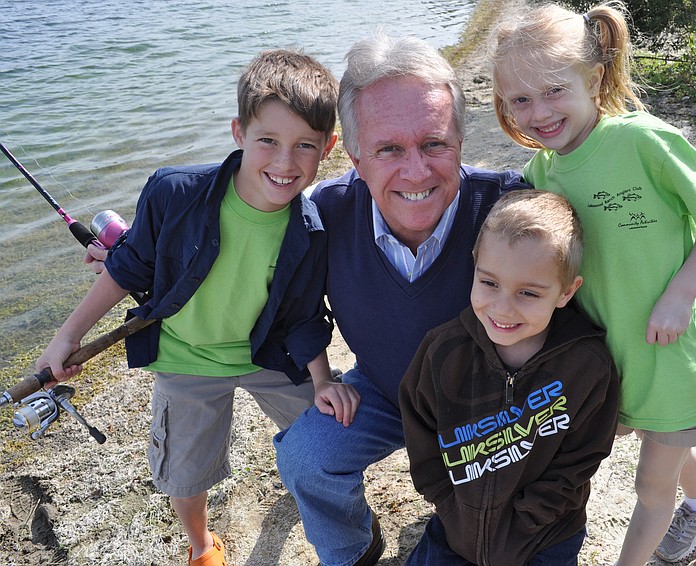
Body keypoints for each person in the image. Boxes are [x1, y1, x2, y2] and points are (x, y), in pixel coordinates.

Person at [487, 2, 696, 563]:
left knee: (651, 490)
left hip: (676, 354)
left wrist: (681, 293)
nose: (540, 112)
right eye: (521, 100)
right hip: (618, 355)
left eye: (554, 89)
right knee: (667, 442)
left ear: (595, 76)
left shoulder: (642, 142)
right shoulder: (541, 173)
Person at [36, 49, 351, 566]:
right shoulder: (173, 192)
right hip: (185, 358)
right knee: (183, 477)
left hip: (267, 353)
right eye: (267, 140)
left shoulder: (311, 228)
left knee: (328, 442)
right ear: (237, 132)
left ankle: (313, 496)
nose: (284, 162)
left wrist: (321, 381)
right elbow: (127, 268)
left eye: (304, 146)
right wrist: (67, 336)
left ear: (328, 147)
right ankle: (202, 546)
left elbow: (302, 315)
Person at [399, 189, 620, 565]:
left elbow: (584, 455)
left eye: (528, 293)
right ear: (475, 267)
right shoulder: (443, 351)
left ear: (566, 291)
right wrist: (447, 502)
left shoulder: (588, 366)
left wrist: (528, 518)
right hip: (457, 531)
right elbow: (420, 428)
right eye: (489, 283)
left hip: (545, 538)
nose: (502, 307)